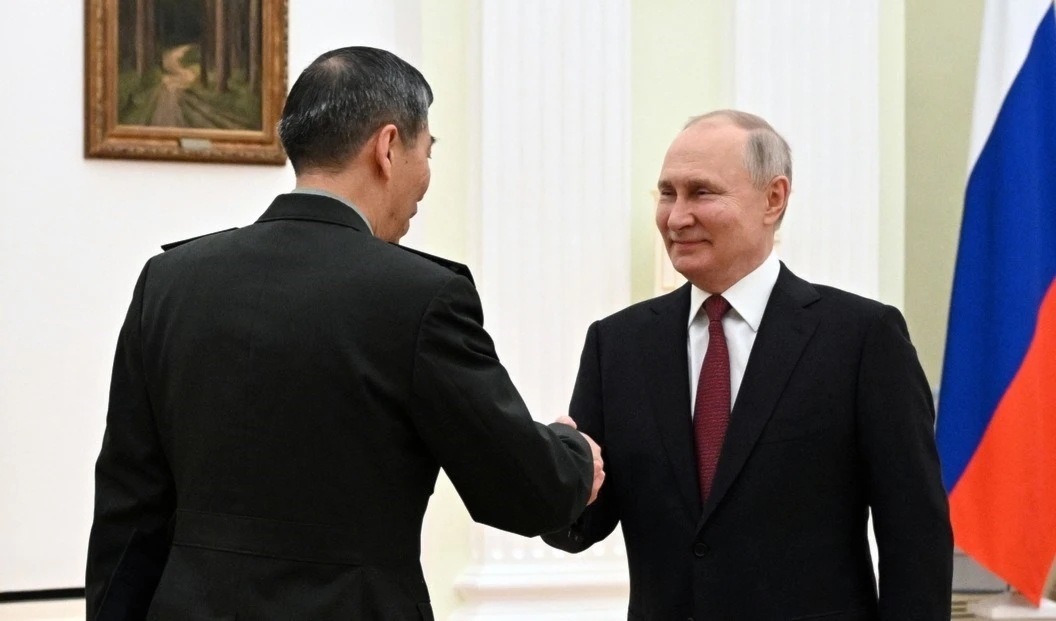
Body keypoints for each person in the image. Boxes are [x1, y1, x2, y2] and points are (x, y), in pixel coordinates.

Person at [86, 46, 603, 621]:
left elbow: (129, 512)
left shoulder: (169, 281)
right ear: (387, 148)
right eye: (426, 151)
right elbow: (525, 491)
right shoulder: (420, 296)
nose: (426, 179)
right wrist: (573, 454)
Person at [543, 110, 953, 620]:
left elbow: (914, 534)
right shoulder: (617, 344)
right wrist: (554, 470)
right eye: (668, 193)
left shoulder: (862, 338)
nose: (676, 216)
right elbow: (580, 527)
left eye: (701, 192)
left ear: (773, 198)